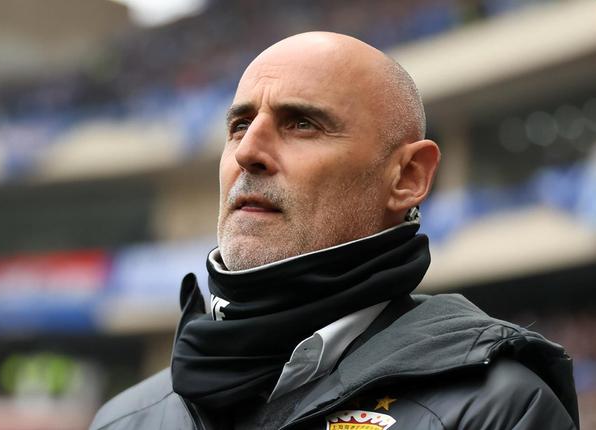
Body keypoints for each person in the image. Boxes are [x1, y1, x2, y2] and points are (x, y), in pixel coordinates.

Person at [90, 32, 579, 429]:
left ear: (407, 177)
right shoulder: (124, 419)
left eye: (301, 124)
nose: (248, 152)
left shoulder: (497, 408)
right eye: (239, 125)